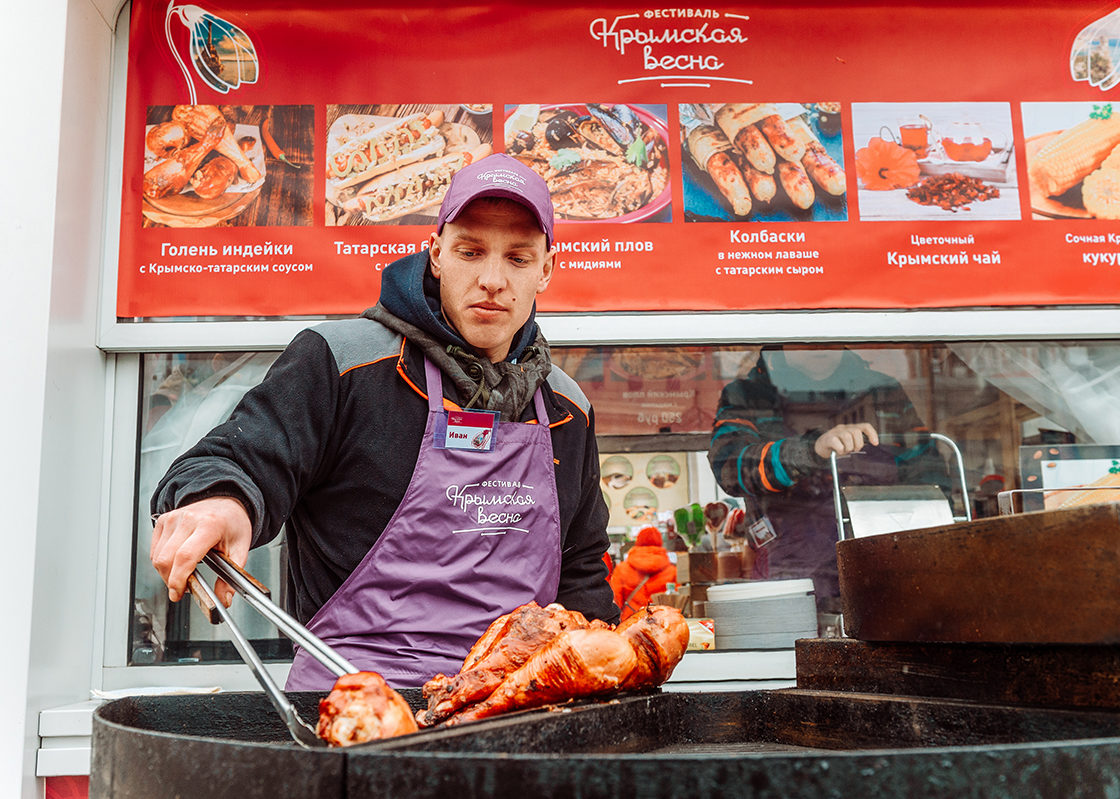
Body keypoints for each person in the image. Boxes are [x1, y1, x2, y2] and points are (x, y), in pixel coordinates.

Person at [150, 153, 620, 689]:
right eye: (470, 251)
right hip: (357, 703)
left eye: (517, 258)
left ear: (546, 270)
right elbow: (239, 459)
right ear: (437, 254)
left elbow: (581, 572)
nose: (492, 280)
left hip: (515, 705)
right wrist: (219, 502)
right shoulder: (343, 362)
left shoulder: (566, 406)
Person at [707, 347, 945, 613]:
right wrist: (811, 450)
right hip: (789, 582)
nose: (817, 345)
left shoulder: (882, 391)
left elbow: (931, 475)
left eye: (825, 334)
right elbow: (729, 466)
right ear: (782, 338)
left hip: (883, 575)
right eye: (804, 335)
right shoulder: (746, 396)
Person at [607, 527, 677, 621]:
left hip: (631, 623)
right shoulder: (672, 571)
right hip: (662, 623)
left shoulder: (622, 569)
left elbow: (615, 601)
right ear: (660, 542)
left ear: (638, 542)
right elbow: (676, 602)